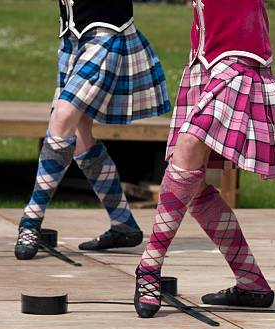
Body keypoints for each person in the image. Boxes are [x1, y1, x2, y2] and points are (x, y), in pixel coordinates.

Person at [133, 0, 275, 318]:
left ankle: (149, 267)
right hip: (205, 60)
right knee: (188, 184)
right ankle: (251, 283)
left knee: (190, 147)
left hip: (238, 62)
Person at [14, 0, 170, 260]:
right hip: (73, 38)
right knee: (80, 136)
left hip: (106, 36)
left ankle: (31, 221)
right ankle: (124, 225)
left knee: (63, 118)